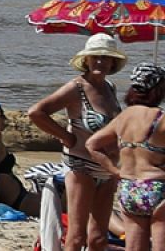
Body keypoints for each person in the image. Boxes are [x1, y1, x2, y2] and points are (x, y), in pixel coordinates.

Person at [30, 33, 127, 251]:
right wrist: (65, 137)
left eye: (105, 57)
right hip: (81, 166)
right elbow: (37, 112)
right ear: (86, 60)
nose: (100, 61)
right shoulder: (77, 87)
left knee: (98, 238)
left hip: (107, 169)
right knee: (76, 235)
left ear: (113, 62)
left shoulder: (109, 87)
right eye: (95, 57)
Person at [85, 64, 165, 251]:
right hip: (157, 187)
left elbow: (92, 145)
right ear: (158, 89)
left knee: (135, 247)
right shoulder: (160, 118)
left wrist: (115, 171)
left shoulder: (123, 117)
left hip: (129, 188)